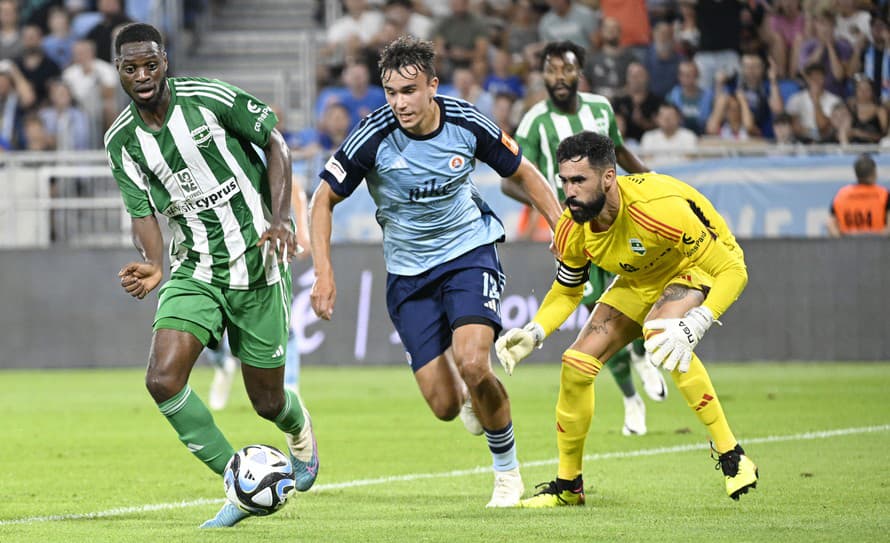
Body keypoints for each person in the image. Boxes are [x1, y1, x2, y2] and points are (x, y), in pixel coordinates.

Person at [309, 35, 563, 507]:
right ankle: (468, 396)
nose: (399, 103)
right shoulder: (373, 135)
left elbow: (523, 172)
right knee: (445, 406)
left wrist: (560, 228)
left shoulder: (466, 121)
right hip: (407, 274)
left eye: (409, 91)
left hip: (469, 251)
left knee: (473, 362)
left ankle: (507, 474)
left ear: (432, 86)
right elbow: (322, 199)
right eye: (391, 92)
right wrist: (324, 273)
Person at [105, 23, 318, 528]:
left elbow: (276, 145)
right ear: (118, 70)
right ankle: (241, 481)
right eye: (131, 68)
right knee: (161, 379)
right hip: (194, 268)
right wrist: (155, 262)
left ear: (164, 62)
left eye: (150, 65)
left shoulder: (208, 98)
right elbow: (142, 213)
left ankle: (299, 429)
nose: (142, 76)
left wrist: (279, 218)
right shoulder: (122, 141)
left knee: (267, 401)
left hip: (258, 265)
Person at [496, 130, 759, 507]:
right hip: (639, 279)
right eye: (565, 181)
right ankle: (569, 487)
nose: (569, 192)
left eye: (579, 181)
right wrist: (535, 331)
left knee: (661, 334)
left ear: (608, 178)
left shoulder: (659, 210)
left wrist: (698, 321)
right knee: (576, 364)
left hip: (696, 265)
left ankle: (733, 456)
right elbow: (568, 290)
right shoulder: (573, 228)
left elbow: (734, 271)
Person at [504, 40, 668, 437]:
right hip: (574, 233)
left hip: (616, 220)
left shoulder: (600, 109)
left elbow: (620, 152)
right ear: (542, 74)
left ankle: (642, 353)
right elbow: (511, 183)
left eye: (567, 69)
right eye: (551, 69)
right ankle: (632, 401)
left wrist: (653, 182)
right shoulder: (533, 123)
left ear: (580, 73)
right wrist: (554, 213)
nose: (559, 77)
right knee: (595, 310)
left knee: (638, 290)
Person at [827, 153, 890, 237]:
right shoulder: (884, 194)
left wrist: (840, 242)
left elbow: (830, 224)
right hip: (877, 246)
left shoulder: (841, 195)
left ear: (856, 174)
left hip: (848, 246)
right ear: (874, 172)